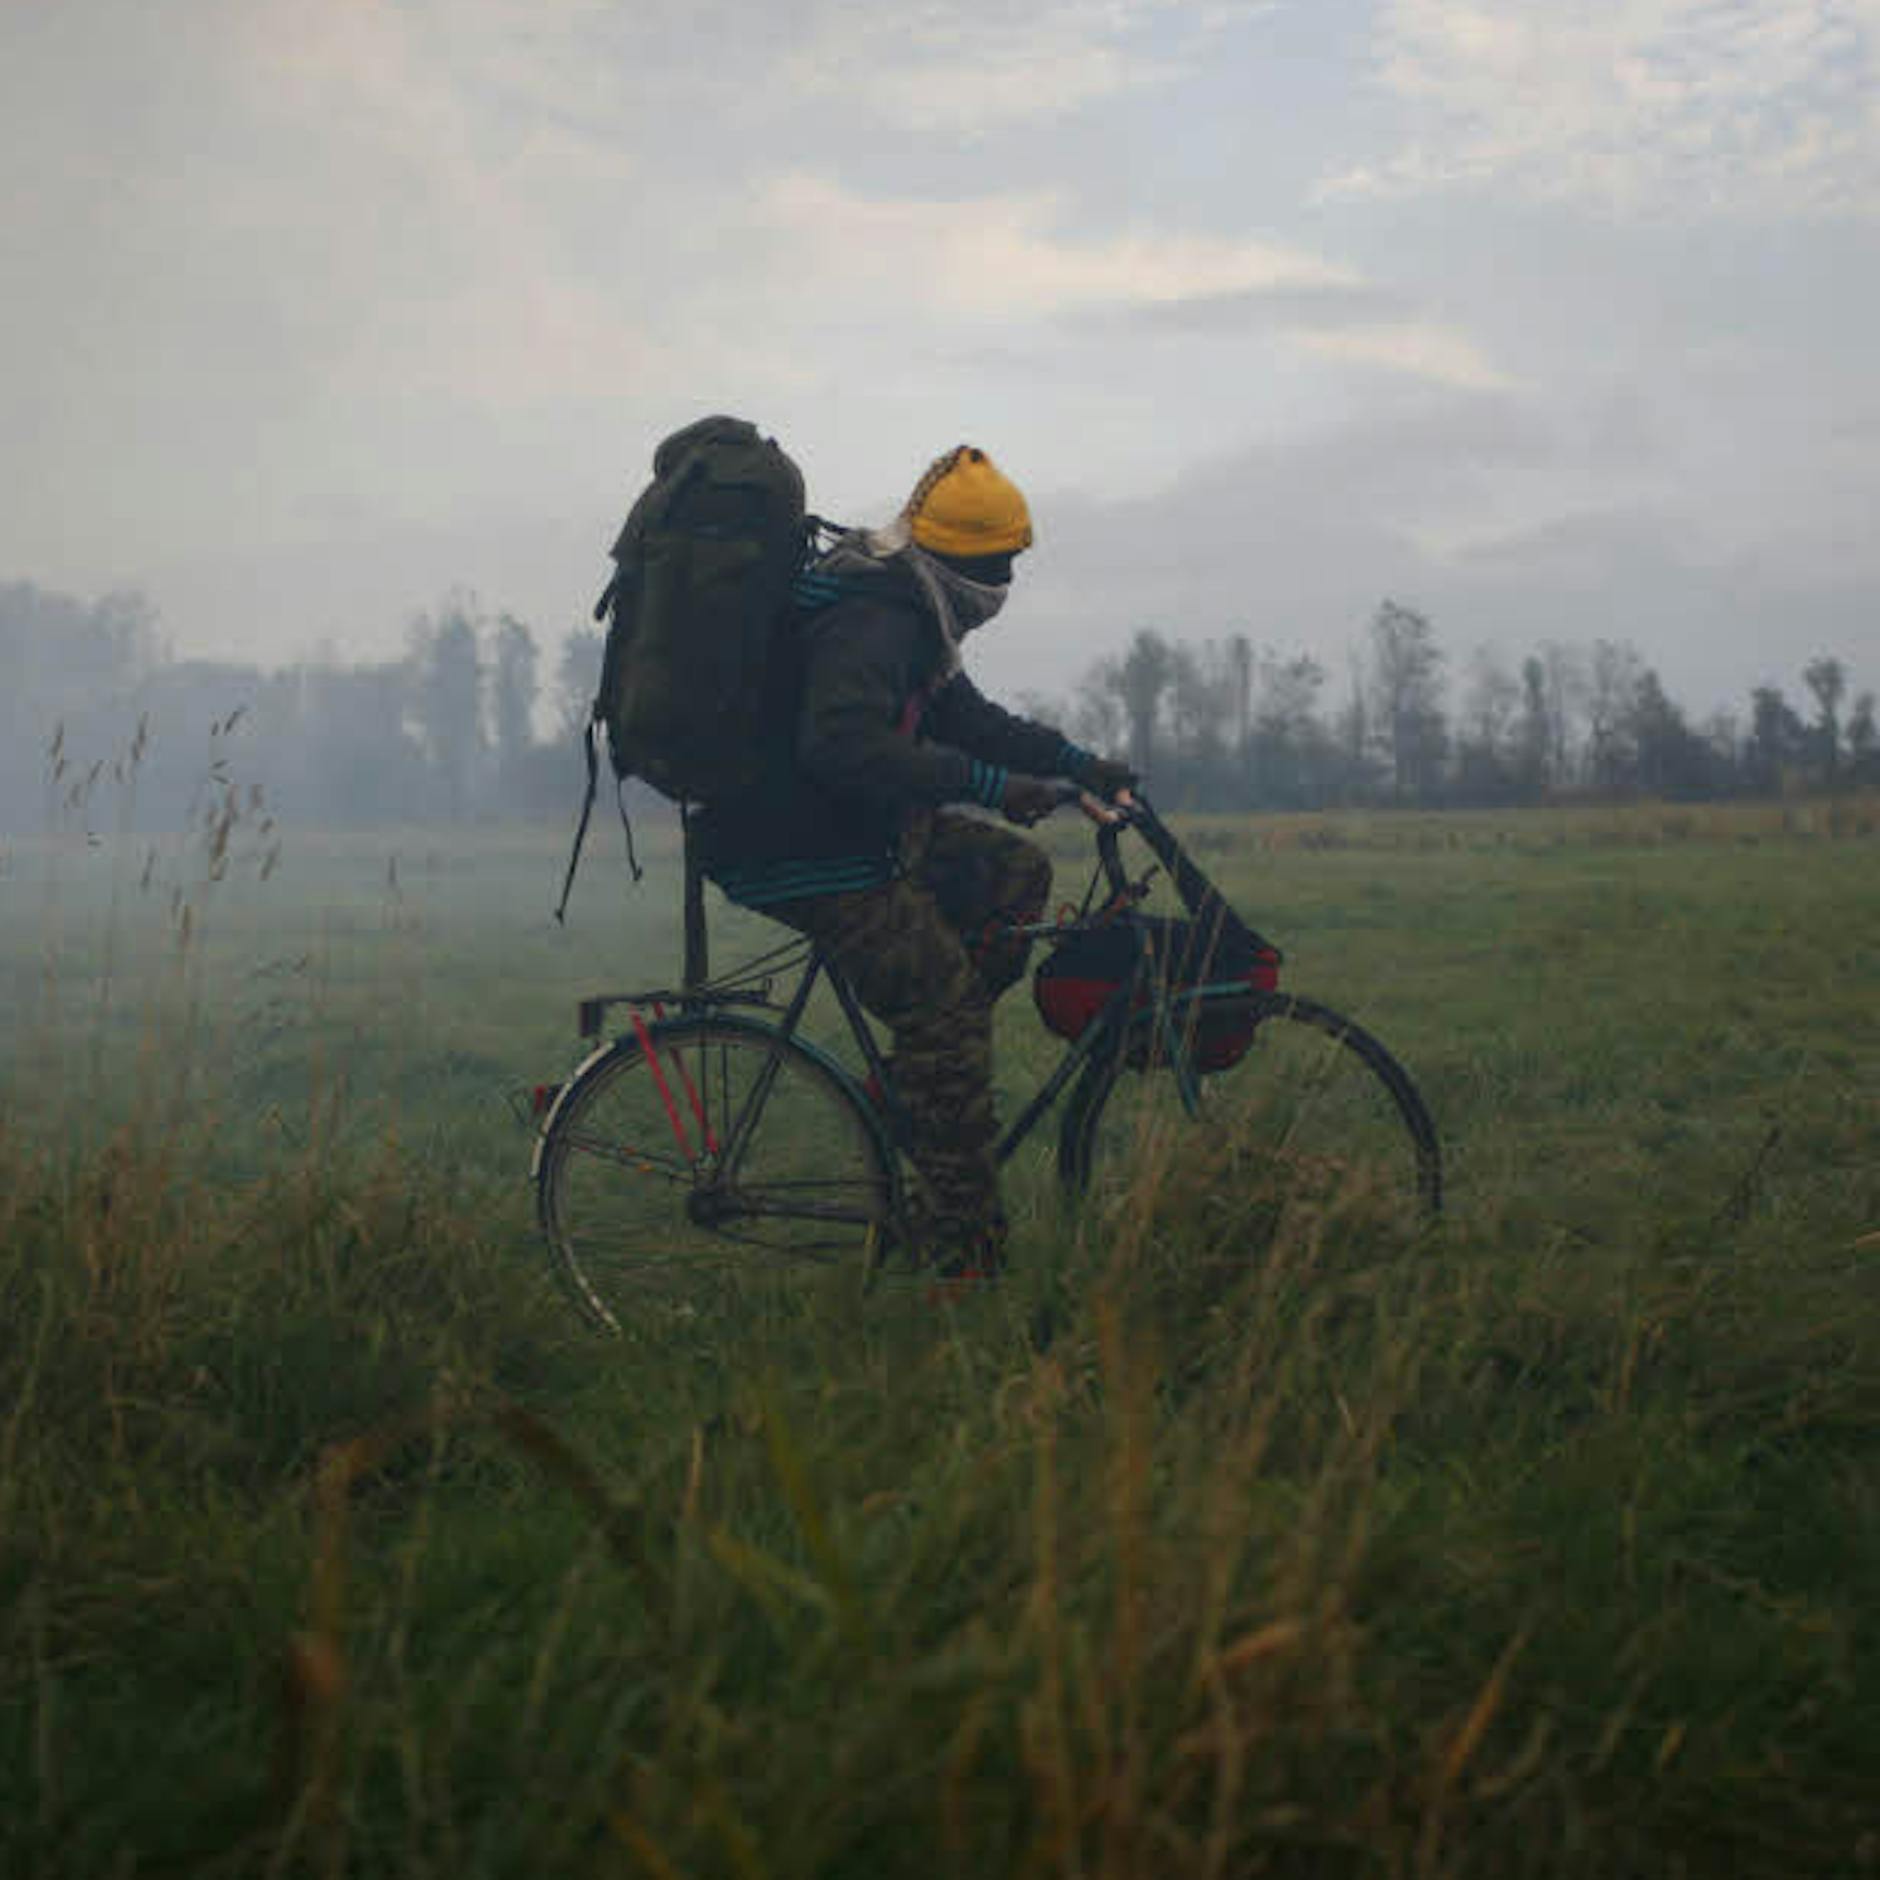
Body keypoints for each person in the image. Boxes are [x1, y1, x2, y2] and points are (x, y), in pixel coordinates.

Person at [691, 444, 1136, 1280]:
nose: (1007, 578)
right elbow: (839, 745)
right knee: (944, 1007)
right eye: (1002, 561)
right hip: (800, 847)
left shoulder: (911, 604)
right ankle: (962, 1255)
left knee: (1016, 879)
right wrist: (990, 788)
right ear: (966, 559)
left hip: (854, 831)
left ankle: (910, 1091)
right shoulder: (878, 614)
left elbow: (969, 718)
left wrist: (1077, 763)